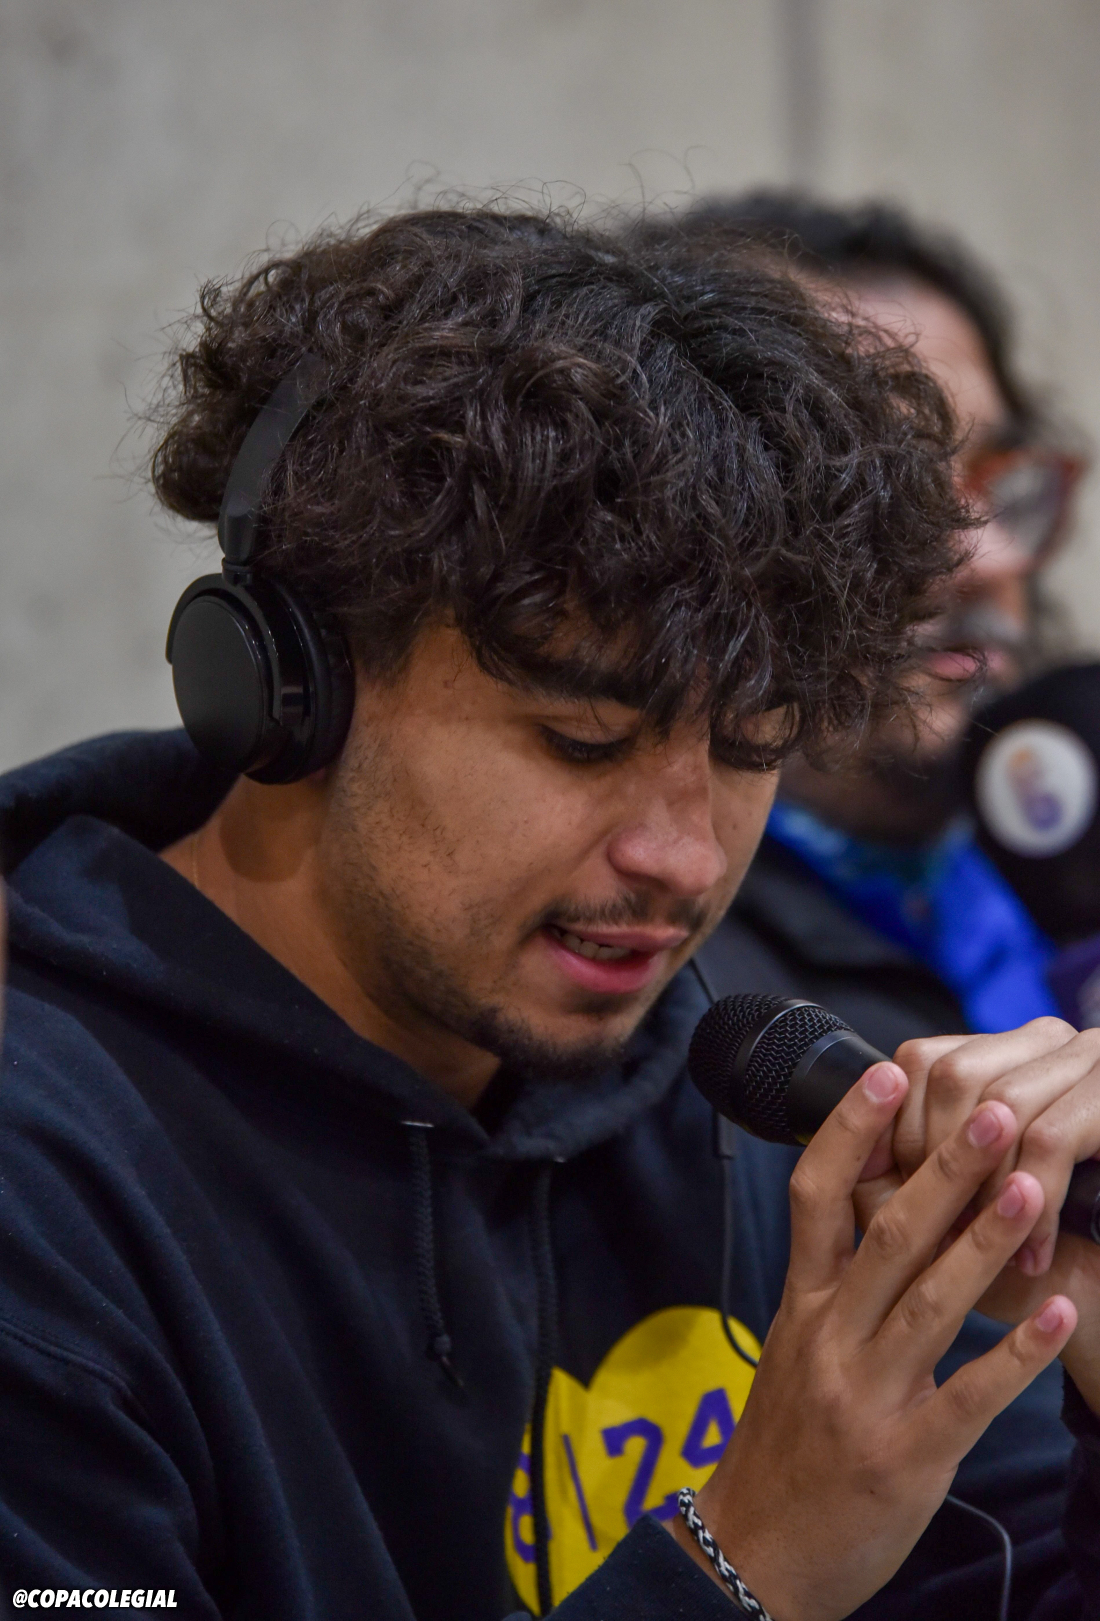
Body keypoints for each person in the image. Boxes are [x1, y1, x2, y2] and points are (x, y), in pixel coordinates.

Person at [0, 205, 1098, 1621]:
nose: (682, 858)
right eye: (582, 742)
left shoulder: (735, 1116)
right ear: (290, 690)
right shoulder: (44, 1199)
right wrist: (738, 1564)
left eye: (752, 747)